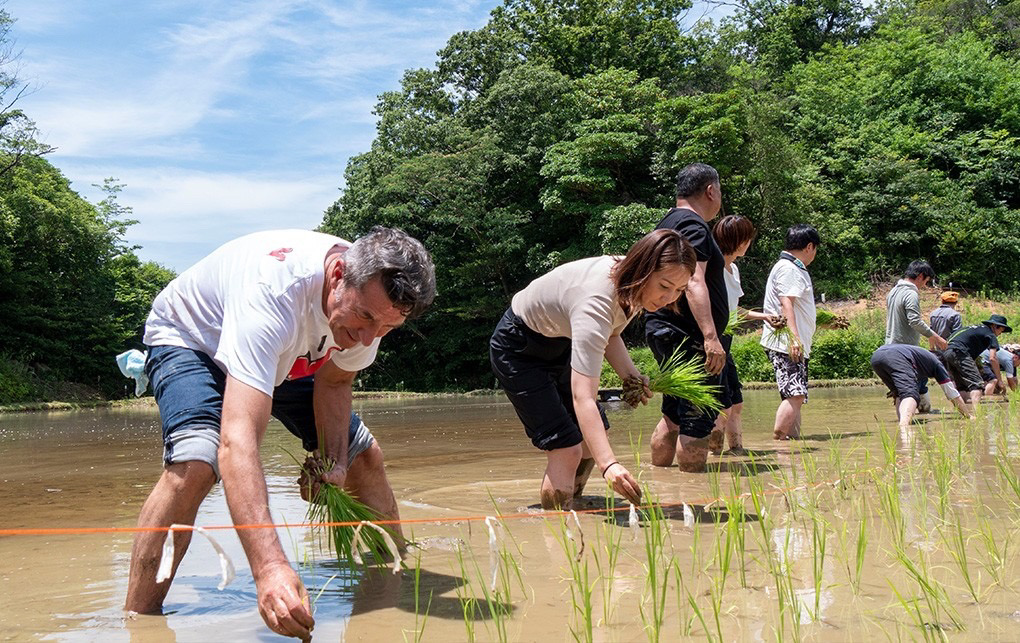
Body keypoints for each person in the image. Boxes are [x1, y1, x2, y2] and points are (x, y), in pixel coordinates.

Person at [125, 227, 436, 640]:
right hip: (194, 339)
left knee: (364, 457)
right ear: (339, 272)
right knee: (197, 461)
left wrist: (336, 464)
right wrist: (269, 567)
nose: (368, 338)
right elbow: (238, 441)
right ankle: (137, 620)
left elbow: (335, 383)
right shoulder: (273, 295)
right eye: (364, 317)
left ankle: (392, 580)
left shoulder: (370, 313)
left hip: (288, 354)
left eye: (386, 327)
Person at [490, 229, 697, 509]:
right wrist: (609, 465)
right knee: (566, 447)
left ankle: (571, 503)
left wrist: (630, 376)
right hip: (519, 349)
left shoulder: (632, 281)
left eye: (679, 290)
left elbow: (610, 333)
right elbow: (583, 397)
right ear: (644, 270)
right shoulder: (596, 301)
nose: (669, 298)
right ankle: (555, 529)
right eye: (664, 286)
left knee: (589, 442)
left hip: (560, 341)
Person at [644, 163, 732, 473]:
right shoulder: (693, 226)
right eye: (719, 191)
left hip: (665, 330)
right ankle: (692, 501)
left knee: (674, 414)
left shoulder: (667, 222)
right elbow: (694, 281)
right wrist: (711, 336)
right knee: (696, 416)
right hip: (688, 336)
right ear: (711, 191)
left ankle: (661, 484)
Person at [706, 215, 784, 455]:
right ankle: (714, 455)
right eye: (748, 238)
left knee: (736, 403)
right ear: (739, 242)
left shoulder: (734, 269)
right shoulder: (711, 268)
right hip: (713, 340)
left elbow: (733, 310)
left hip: (726, 340)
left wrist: (764, 316)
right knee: (722, 406)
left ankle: (737, 450)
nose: (749, 243)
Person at [760, 224, 839, 440]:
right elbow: (787, 303)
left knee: (795, 396)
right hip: (787, 343)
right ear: (810, 247)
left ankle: (793, 442)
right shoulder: (789, 269)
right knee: (796, 394)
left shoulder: (790, 267)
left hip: (791, 342)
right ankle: (779, 444)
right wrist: (794, 339)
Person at [885, 261, 948, 413]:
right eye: (926, 281)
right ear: (920, 276)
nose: (925, 286)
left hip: (890, 346)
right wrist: (935, 337)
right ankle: (913, 420)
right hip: (905, 348)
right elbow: (914, 321)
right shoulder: (911, 293)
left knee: (905, 387)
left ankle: (917, 417)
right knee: (912, 385)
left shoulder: (893, 292)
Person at [870, 343, 972, 429]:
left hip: (876, 357)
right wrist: (968, 416)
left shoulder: (922, 357)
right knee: (910, 395)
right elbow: (952, 393)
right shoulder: (937, 363)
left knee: (899, 394)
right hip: (896, 356)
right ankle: (904, 427)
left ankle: (902, 422)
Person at [942, 315, 1012, 406]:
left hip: (947, 352)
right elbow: (993, 358)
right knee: (977, 384)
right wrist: (1000, 380)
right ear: (994, 326)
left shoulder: (975, 328)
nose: (999, 334)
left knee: (962, 386)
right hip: (960, 352)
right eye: (1001, 331)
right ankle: (978, 415)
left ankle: (965, 414)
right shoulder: (990, 334)